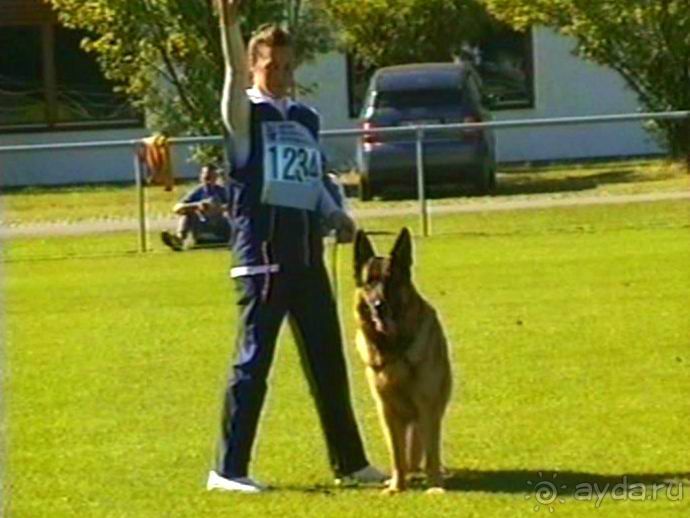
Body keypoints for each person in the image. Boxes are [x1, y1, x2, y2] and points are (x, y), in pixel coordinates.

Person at [207, 0, 386, 493]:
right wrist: (230, 26)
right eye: (270, 66)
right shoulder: (245, 117)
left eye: (287, 66)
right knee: (253, 366)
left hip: (308, 259)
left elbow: (315, 179)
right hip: (262, 262)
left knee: (329, 363)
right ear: (254, 66)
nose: (281, 75)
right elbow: (230, 73)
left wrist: (336, 214)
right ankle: (227, 470)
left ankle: (350, 463)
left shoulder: (306, 118)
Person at [160, 164, 231, 251]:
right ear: (201, 177)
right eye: (205, 177)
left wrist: (217, 208)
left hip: (219, 225)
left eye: (210, 177)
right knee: (187, 213)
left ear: (216, 178)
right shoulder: (197, 192)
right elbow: (177, 208)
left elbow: (235, 206)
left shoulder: (222, 191)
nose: (208, 180)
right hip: (201, 225)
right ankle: (179, 239)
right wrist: (196, 206)